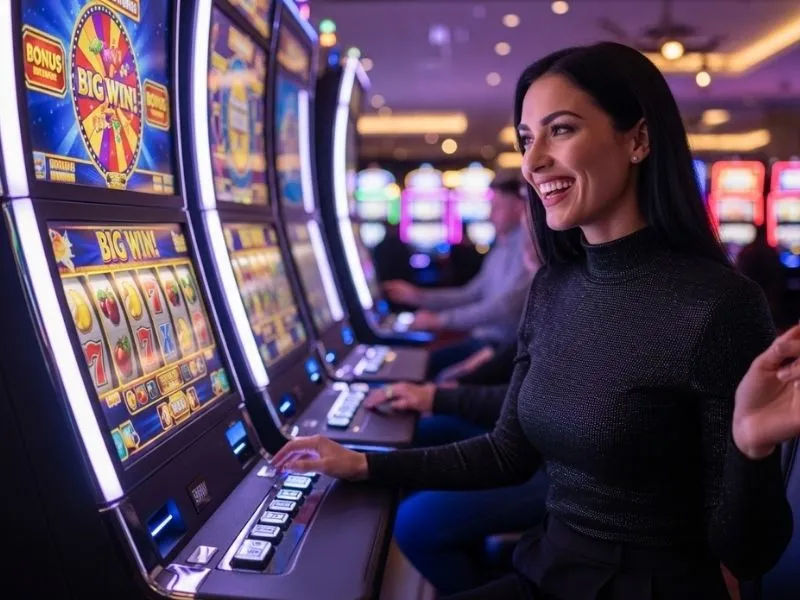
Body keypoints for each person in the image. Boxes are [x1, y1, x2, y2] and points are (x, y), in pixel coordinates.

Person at [272, 42, 796, 599]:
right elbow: (507, 450)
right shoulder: (555, 284)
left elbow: (749, 553)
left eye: (560, 130)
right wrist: (365, 464)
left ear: (638, 139)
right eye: (527, 139)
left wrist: (750, 448)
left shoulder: (720, 304)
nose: (532, 161)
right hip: (549, 569)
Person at [385, 176, 533, 377]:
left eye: (497, 207)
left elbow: (504, 307)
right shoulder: (502, 245)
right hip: (483, 340)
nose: (490, 215)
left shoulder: (529, 247)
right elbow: (471, 293)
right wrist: (419, 296)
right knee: (415, 363)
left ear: (519, 207)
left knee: (429, 372)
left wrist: (440, 320)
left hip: (503, 348)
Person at [735, 227, 786, 330]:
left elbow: (738, 270)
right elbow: (779, 272)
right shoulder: (770, 251)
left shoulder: (746, 250)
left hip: (748, 292)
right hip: (769, 294)